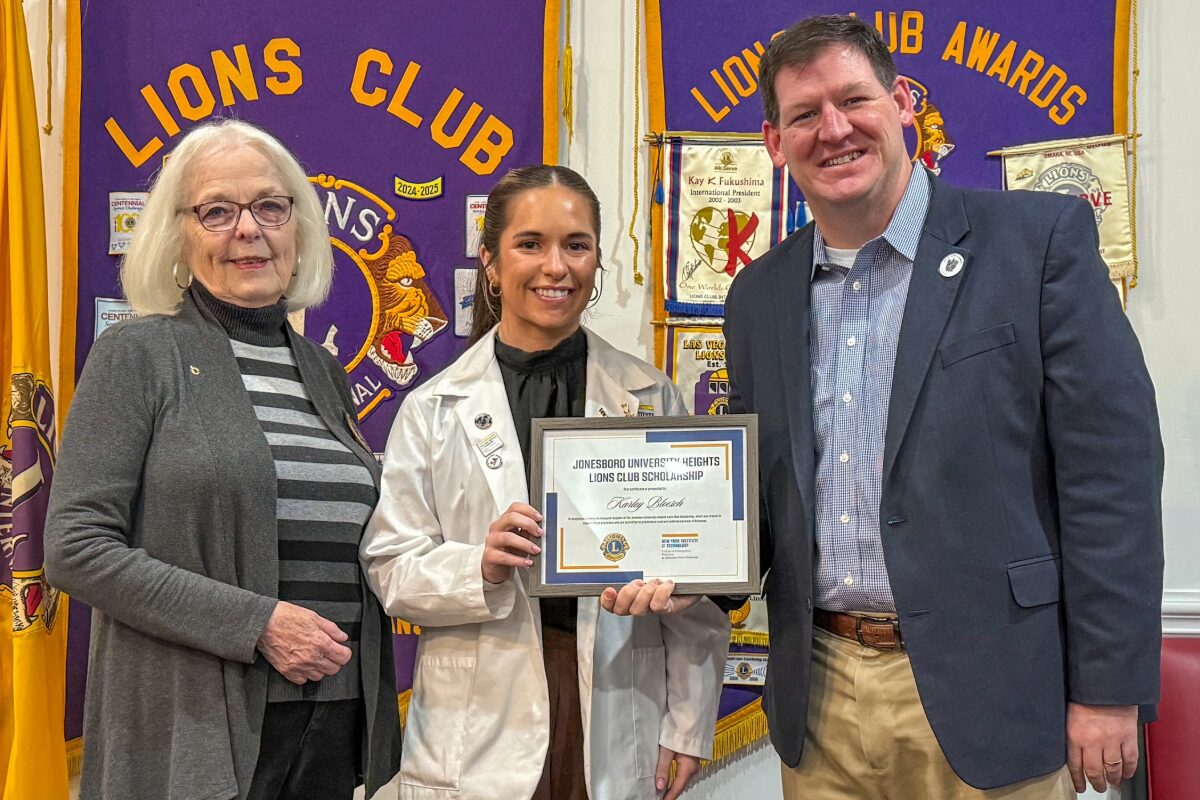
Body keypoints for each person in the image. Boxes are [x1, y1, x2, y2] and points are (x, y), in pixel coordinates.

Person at [717, 14, 1165, 800]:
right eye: (803, 115)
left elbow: (1111, 480)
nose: (833, 129)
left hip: (991, 691)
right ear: (773, 142)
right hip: (817, 694)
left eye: (854, 100)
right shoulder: (757, 296)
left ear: (902, 106)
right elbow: (761, 494)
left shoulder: (1037, 242)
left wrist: (1107, 687)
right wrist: (678, 569)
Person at [44, 119, 401, 800]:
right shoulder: (139, 356)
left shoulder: (322, 370)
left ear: (297, 227)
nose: (248, 229)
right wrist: (258, 624)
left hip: (332, 721)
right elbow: (74, 547)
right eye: (217, 210)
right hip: (196, 725)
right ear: (177, 235)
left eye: (270, 206)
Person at [359, 164, 730, 800]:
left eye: (576, 245)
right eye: (530, 244)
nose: (555, 266)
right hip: (479, 719)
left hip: (614, 704)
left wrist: (690, 725)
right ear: (491, 264)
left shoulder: (650, 396)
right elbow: (392, 569)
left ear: (596, 261)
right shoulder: (433, 407)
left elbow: (691, 588)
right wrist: (481, 565)